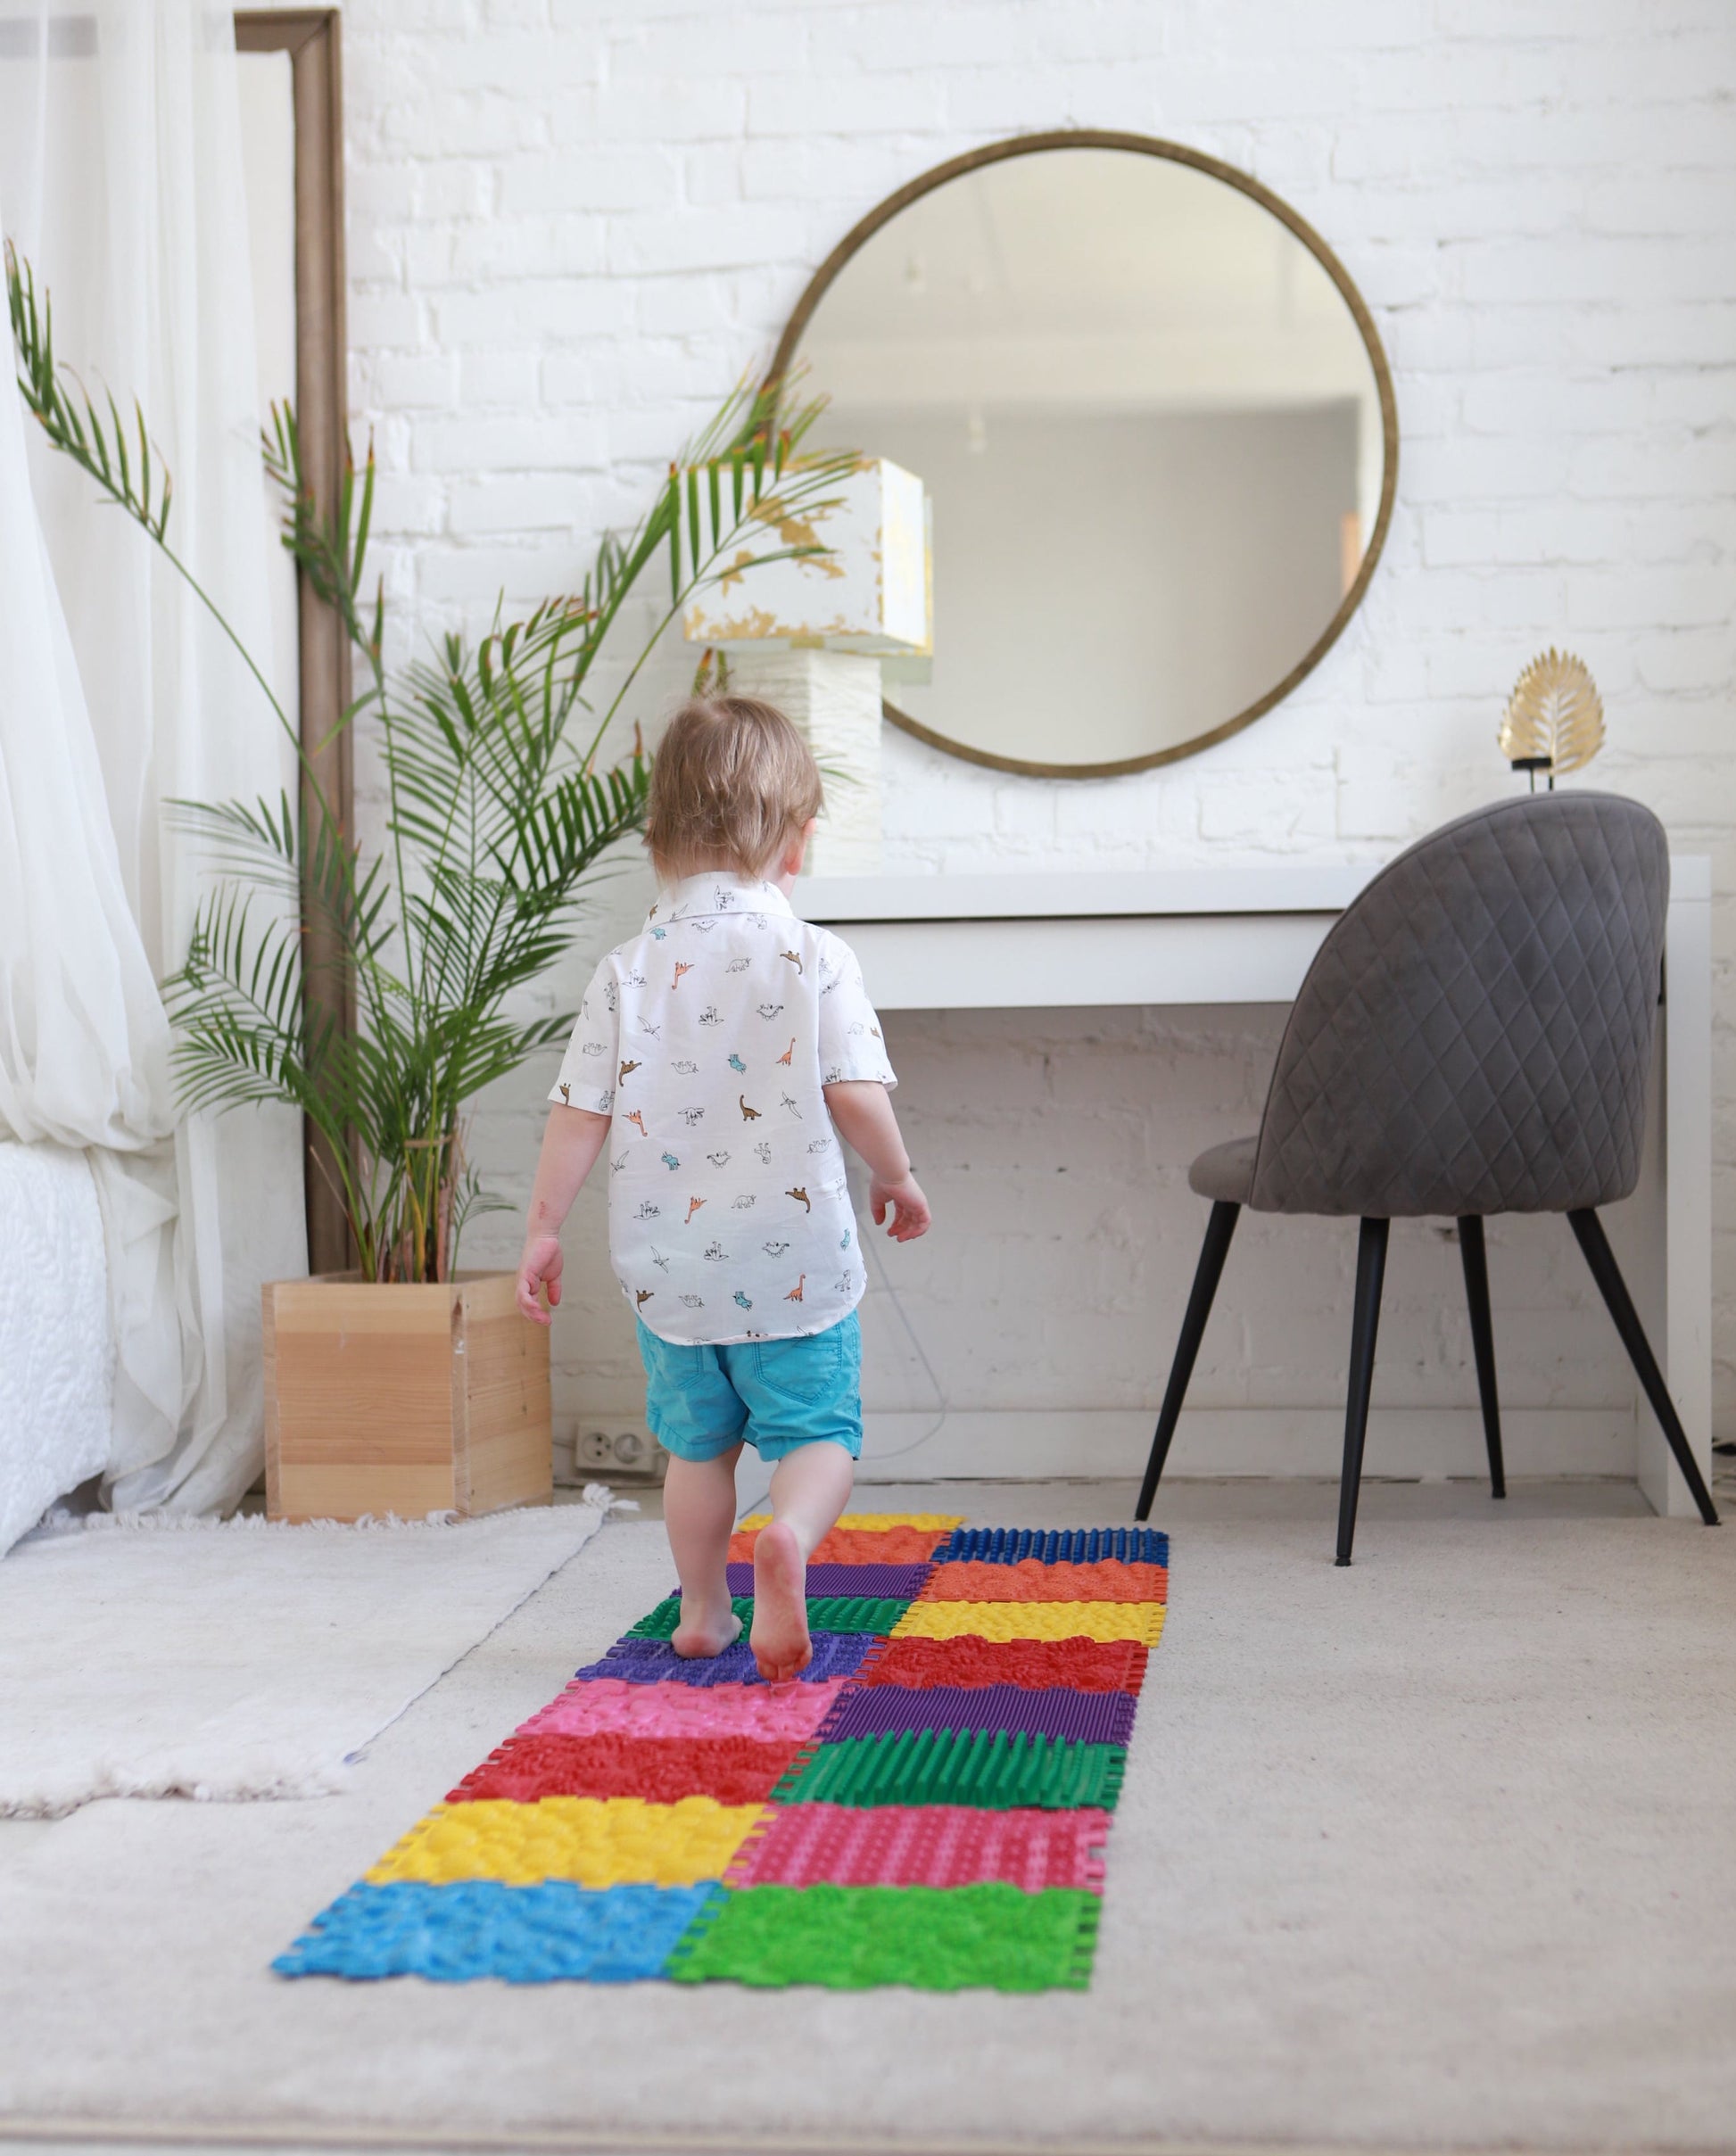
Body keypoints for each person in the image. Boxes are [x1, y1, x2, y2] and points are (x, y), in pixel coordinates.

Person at [516, 695, 930, 1681]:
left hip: (675, 1276)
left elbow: (578, 1113)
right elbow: (854, 1092)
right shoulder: (815, 956)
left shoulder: (625, 972)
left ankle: (703, 1608)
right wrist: (896, 1172)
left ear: (655, 836)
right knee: (819, 1434)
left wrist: (542, 1227)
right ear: (797, 840)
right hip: (794, 1271)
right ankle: (788, 1533)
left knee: (697, 1452)